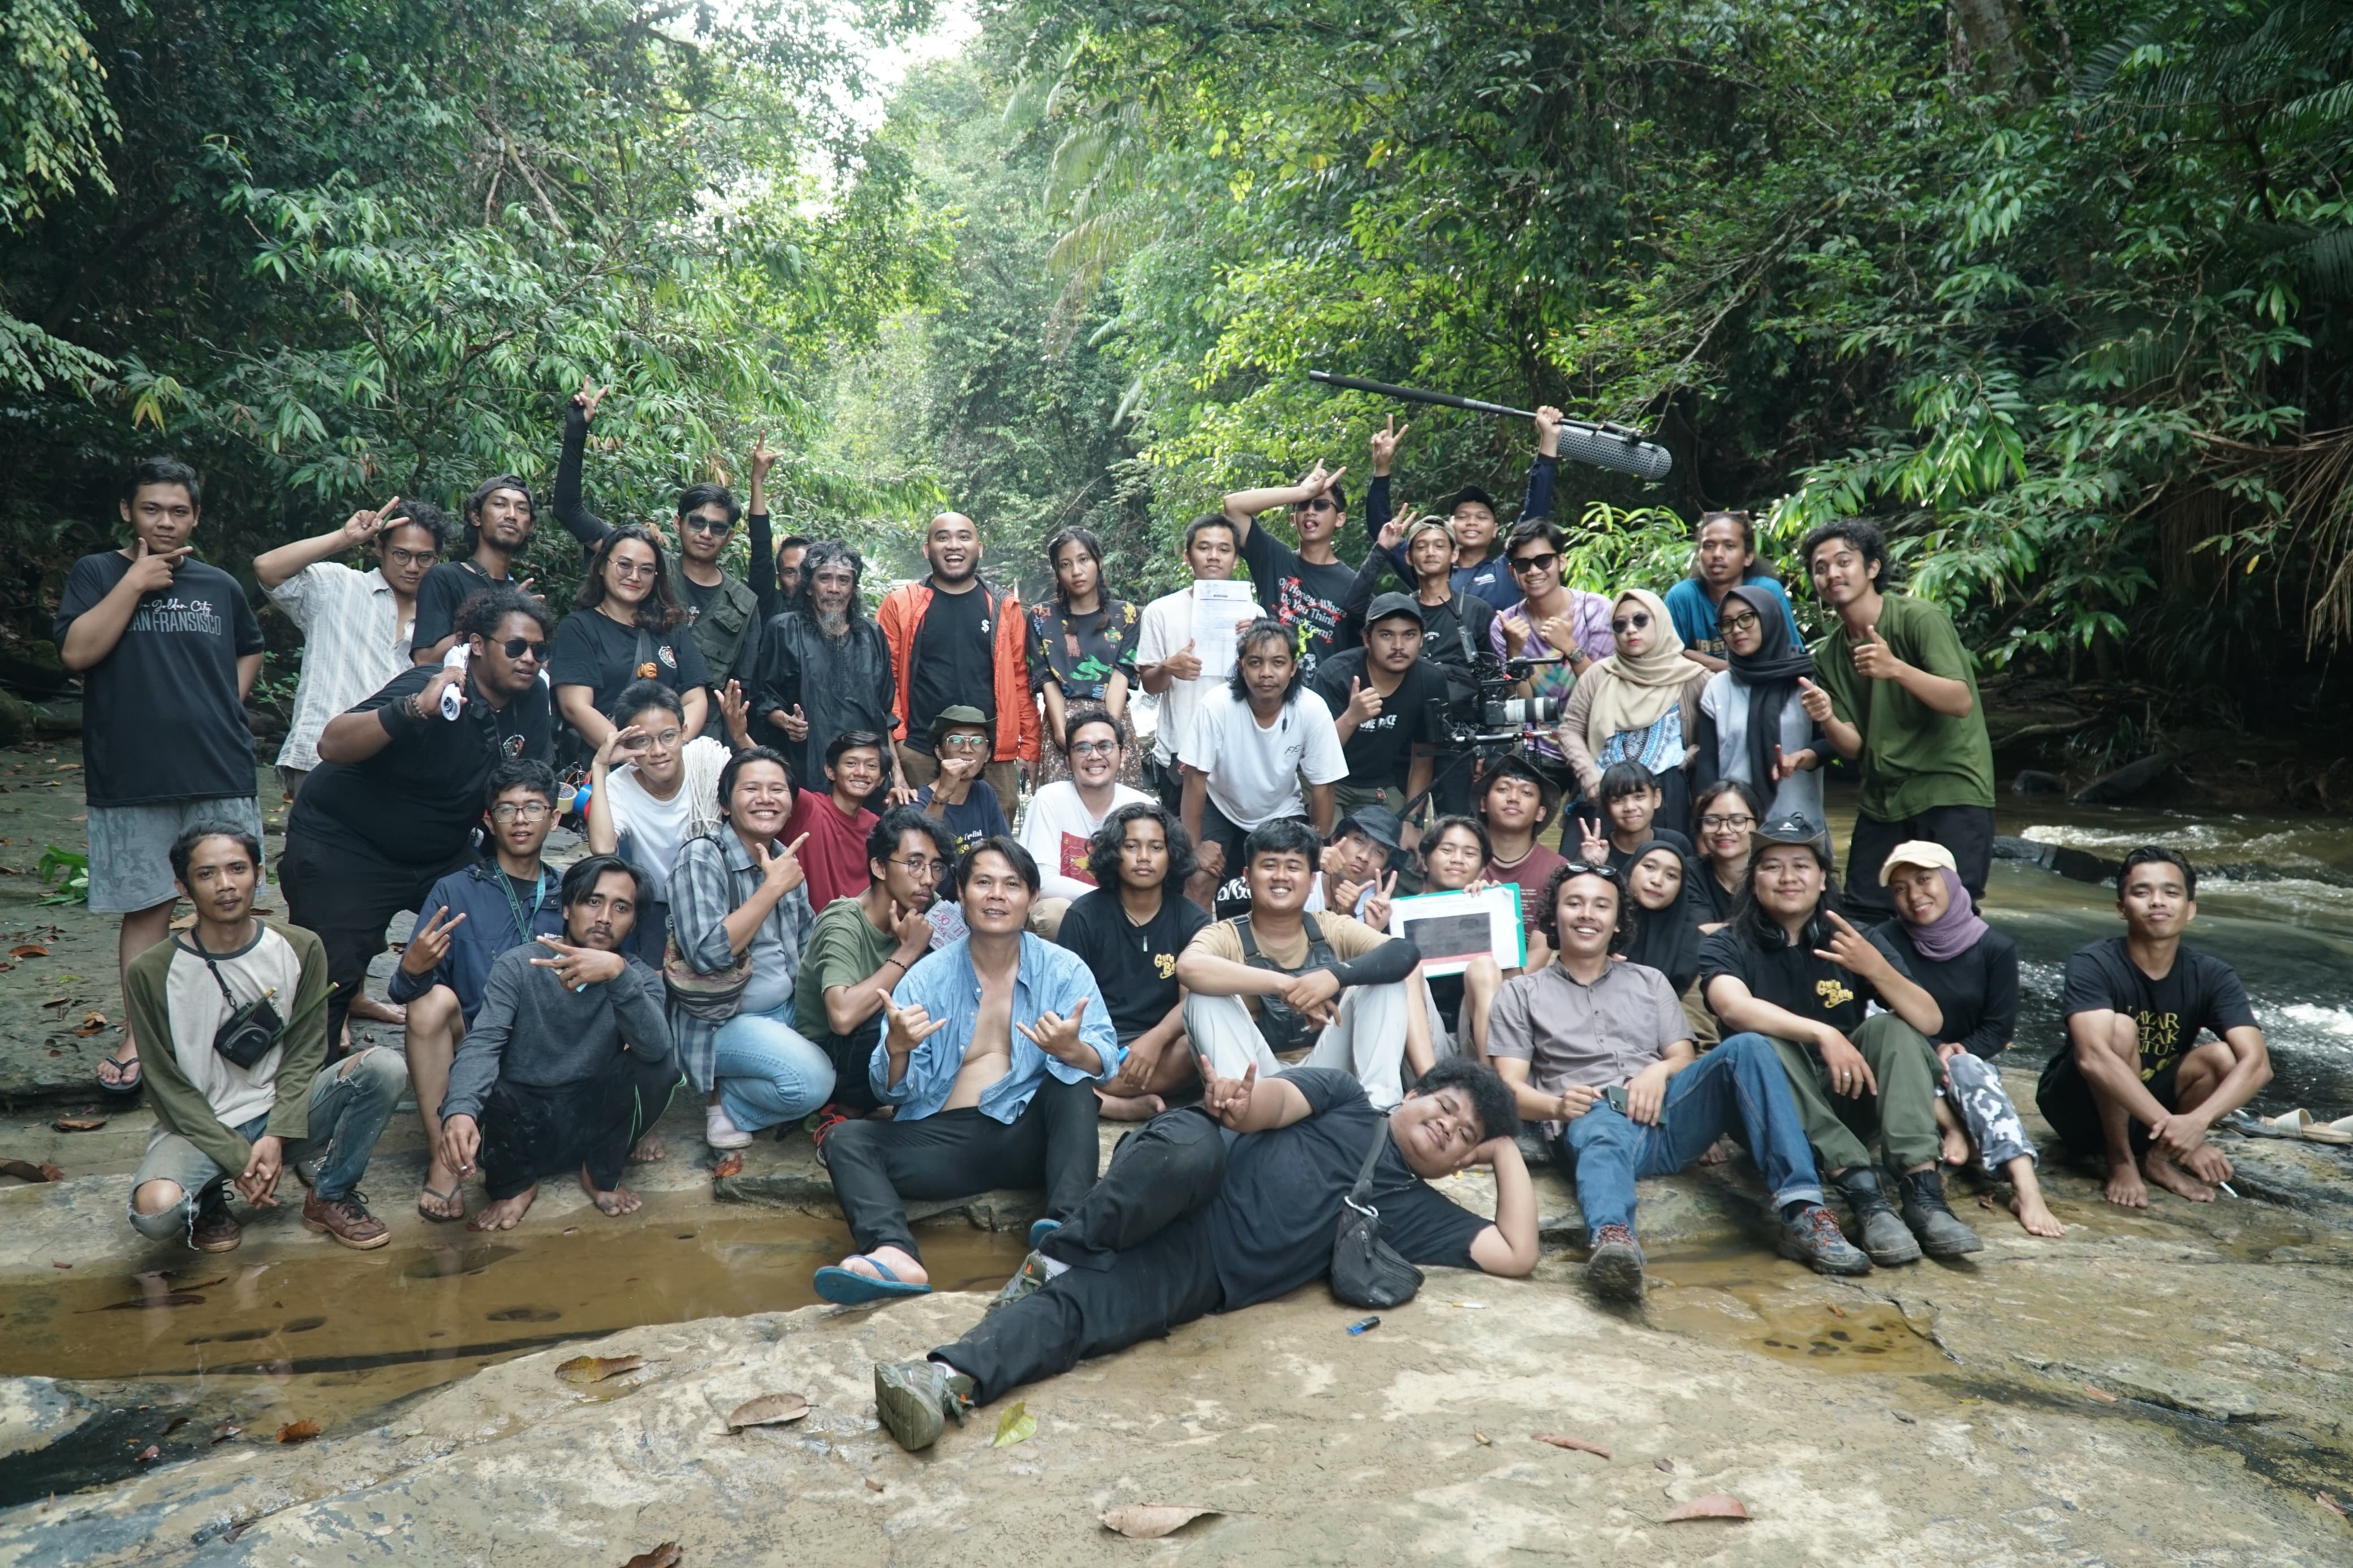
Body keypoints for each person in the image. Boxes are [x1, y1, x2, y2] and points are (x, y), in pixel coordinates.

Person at [868, 1056, 1535, 1452]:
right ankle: (1062, 1249)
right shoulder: (1345, 1098)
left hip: (1205, 1269)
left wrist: (1503, 1146)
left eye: (1463, 1135)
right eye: (1445, 1107)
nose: (1447, 1127)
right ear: (1413, 1093)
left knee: (1085, 1314)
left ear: (1460, 1163)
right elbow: (1266, 1106)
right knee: (1190, 1152)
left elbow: (1515, 1253)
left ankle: (944, 1381)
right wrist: (1241, 1104)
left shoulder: (1416, 1209)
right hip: (1187, 1169)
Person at [1490, 861, 1867, 1298]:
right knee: (1598, 1125)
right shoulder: (1521, 993)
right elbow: (1509, 1090)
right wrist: (1556, 1107)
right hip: (1594, 1116)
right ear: (1554, 916)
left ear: (1618, 921)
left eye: (1601, 905)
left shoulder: (1650, 981)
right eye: (1574, 903)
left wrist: (1658, 1071)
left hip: (1669, 1114)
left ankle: (1803, 1212)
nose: (1587, 914)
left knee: (1749, 1046)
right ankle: (1615, 1243)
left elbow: (1682, 1055)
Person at [812, 837, 1117, 1303]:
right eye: (983, 882)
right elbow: (889, 1091)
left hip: (1027, 1138)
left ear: (1032, 897)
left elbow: (1106, 1059)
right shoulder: (928, 976)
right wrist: (896, 1048)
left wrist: (1075, 1050)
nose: (997, 895)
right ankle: (893, 1252)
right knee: (845, 1138)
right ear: (961, 892)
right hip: (944, 1143)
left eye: (1012, 884)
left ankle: (1067, 1236)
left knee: (1072, 1081)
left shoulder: (1063, 969)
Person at [58, 458, 268, 1099]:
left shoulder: (219, 585)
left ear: (196, 517)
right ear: (128, 511)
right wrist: (136, 582)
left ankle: (238, 1021)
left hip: (219, 768)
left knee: (232, 899)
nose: (166, 522)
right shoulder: (98, 573)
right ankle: (141, 1035)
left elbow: (250, 645)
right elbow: (76, 652)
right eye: (153, 509)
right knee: (148, 908)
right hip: (131, 774)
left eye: (179, 512)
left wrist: (226, 705)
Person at [281, 585, 555, 1053]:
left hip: (441, 850)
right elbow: (332, 744)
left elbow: (528, 788)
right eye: (515, 647)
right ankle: (310, 1090)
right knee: (332, 975)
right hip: (347, 844)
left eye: (538, 649)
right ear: (477, 646)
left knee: (497, 920)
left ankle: (480, 1051)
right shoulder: (430, 685)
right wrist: (413, 711)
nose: (529, 658)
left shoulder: (531, 704)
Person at [1699, 811, 1982, 1265]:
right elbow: (1732, 1006)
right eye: (1772, 866)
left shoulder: (1855, 939)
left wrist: (1876, 969)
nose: (1788, 877)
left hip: (1846, 1095)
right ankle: (1865, 1197)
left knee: (1894, 1027)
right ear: (1753, 881)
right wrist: (1823, 1031)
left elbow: (1929, 1020)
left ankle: (1924, 1195)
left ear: (1822, 878)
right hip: (1771, 1110)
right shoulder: (1727, 943)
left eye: (1801, 864)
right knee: (1763, 1042)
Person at [124, 823, 404, 1252]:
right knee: (156, 1213)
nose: (225, 885)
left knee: (384, 1066)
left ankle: (330, 1194)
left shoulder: (300, 947)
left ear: (259, 874)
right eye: (206, 874)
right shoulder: (151, 971)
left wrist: (275, 1135)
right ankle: (209, 1199)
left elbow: (306, 1054)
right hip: (203, 1126)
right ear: (183, 887)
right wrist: (238, 1157)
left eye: (237, 868)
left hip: (284, 1113)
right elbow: (166, 1086)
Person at [438, 854, 680, 1230]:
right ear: (567, 908)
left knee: (661, 1064)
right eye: (592, 901)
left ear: (633, 921)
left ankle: (597, 1173)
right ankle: (517, 1185)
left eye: (621, 908)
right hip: (523, 1120)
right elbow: (483, 1043)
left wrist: (617, 975)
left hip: (592, 1120)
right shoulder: (519, 965)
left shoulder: (636, 977)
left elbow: (655, 1049)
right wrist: (461, 1111)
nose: (604, 917)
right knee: (477, 1080)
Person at [2038, 846, 2273, 1208]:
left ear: (2190, 908)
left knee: (2225, 1057)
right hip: (2080, 1110)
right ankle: (2121, 1159)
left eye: (2171, 892)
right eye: (2142, 892)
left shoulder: (2212, 975)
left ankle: (2158, 1160)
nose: (2157, 902)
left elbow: (2257, 1064)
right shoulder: (2093, 963)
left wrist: (2197, 1124)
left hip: (2151, 1120)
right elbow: (2093, 1059)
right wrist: (2179, 1132)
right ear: (2121, 908)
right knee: (2119, 1030)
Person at [390, 760, 567, 1223]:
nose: (522, 819)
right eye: (507, 809)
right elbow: (405, 990)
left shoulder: (571, 895)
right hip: (476, 1048)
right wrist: (410, 967)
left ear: (556, 817)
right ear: (488, 821)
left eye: (534, 807)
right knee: (432, 1002)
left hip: (549, 1048)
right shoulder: (455, 890)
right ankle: (444, 1157)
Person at [1796, 519, 1997, 919]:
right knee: (1862, 911)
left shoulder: (1919, 619)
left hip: (1950, 786)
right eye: (1820, 568)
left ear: (1872, 568)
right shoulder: (1830, 654)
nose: (1832, 573)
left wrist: (1896, 668)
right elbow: (1853, 746)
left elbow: (1960, 700)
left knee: (1950, 910)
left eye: (1843, 562)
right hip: (1883, 796)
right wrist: (1827, 719)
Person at [1866, 842, 2060, 1238]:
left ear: (1951, 882)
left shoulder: (1995, 947)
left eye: (1924, 880)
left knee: (1966, 1065)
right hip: (1904, 1058)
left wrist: (1959, 1049)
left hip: (1966, 1060)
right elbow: (1876, 1011)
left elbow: (1999, 1027)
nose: (1914, 895)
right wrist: (1931, 1049)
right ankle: (1953, 1124)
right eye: (1900, 888)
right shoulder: (1881, 940)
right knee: (1883, 1032)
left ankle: (2025, 1187)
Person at [1176, 819, 1433, 1110]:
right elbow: (1188, 967)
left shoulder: (1330, 926)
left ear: (1312, 880)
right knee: (1202, 998)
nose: (1281, 877)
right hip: (1259, 1079)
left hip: (1327, 1068)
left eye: (1294, 867)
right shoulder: (1225, 934)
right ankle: (1239, 1112)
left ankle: (1378, 1114)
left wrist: (1333, 977)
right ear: (1247, 876)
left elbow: (1403, 953)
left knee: (1387, 981)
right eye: (1269, 865)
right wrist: (1284, 984)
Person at [667, 746, 835, 1152]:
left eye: (778, 789)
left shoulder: (782, 856)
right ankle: (727, 1102)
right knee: (814, 1083)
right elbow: (708, 952)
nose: (766, 798)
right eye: (752, 789)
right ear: (725, 803)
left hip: (787, 1010)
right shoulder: (702, 855)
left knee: (865, 1045)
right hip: (722, 1022)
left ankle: (762, 1074)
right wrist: (772, 888)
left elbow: (805, 946)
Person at [556, 380, 764, 692]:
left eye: (718, 528)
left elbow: (746, 686)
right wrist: (576, 433)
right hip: (628, 717)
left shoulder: (743, 603)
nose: (706, 534)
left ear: (730, 537)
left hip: (705, 732)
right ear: (678, 522)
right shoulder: (642, 564)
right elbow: (569, 512)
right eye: (697, 522)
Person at [255, 495, 445, 801]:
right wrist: (344, 538)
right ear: (379, 548)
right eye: (401, 554)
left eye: (424, 558)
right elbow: (267, 569)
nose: (412, 567)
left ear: (438, 558)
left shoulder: (440, 621)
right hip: (321, 759)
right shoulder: (337, 585)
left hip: (400, 771)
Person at [794, 807, 953, 1121]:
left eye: (936, 867)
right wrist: (908, 952)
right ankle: (843, 1113)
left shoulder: (927, 907)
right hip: (832, 1054)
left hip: (889, 1043)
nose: (929, 879)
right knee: (890, 1014)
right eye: (915, 865)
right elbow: (842, 1017)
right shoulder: (843, 921)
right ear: (880, 867)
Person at [1055, 802, 1210, 1121]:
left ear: (1172, 856)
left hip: (1164, 1044)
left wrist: (1154, 1041)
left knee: (1196, 1047)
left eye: (1156, 847)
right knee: (1048, 1049)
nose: (1143, 857)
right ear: (1114, 853)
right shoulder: (1083, 916)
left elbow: (1193, 1001)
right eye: (1131, 846)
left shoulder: (1192, 919)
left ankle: (1094, 1096)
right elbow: (1066, 1005)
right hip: (1096, 1042)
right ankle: (1118, 1105)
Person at [1178, 619, 1347, 893]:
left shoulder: (1312, 709)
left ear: (1293, 668)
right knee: (1198, 877)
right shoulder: (1216, 705)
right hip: (1221, 805)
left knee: (1305, 875)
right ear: (1242, 667)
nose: (1266, 673)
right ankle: (1200, 938)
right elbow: (1195, 780)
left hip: (1282, 809)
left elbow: (1324, 785)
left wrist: (1319, 845)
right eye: (1256, 662)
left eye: (1278, 663)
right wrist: (1194, 849)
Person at [585, 679, 752, 958]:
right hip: (658, 911)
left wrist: (741, 736)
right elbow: (602, 848)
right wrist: (600, 766)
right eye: (643, 741)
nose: (658, 751)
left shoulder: (706, 760)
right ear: (626, 742)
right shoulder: (618, 785)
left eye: (668, 736)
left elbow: (763, 790)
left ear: (684, 732)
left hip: (721, 897)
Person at [880, 512, 1035, 811]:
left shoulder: (1004, 608)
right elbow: (887, 679)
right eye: (943, 538)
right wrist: (899, 743)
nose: (954, 545)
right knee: (921, 845)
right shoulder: (902, 604)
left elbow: (1020, 682)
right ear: (927, 550)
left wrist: (1029, 747)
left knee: (996, 850)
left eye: (964, 537)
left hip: (992, 755)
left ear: (979, 548)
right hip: (921, 751)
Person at [1559, 588, 1709, 844]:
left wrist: (1689, 758)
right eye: (1620, 625)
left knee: (1660, 872)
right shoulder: (1600, 674)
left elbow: (1720, 735)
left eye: (1640, 620)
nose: (1630, 629)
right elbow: (1570, 729)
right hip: (1603, 793)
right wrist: (1589, 776)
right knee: (1585, 874)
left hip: (1666, 798)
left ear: (1660, 621)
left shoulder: (1695, 677)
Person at [549, 522, 712, 758]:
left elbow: (695, 699)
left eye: (646, 570)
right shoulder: (578, 628)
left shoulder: (671, 627)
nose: (634, 577)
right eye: (624, 565)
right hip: (608, 766)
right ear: (602, 566)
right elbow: (575, 706)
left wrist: (672, 748)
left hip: (667, 764)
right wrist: (635, 756)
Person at [1135, 514, 1262, 810]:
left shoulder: (1255, 616)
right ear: (1188, 557)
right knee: (1183, 849)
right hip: (1180, 754)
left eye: (1224, 549)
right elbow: (1150, 686)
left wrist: (1255, 646)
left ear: (1236, 558)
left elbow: (1269, 690)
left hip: (1239, 753)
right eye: (1204, 548)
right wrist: (1169, 667)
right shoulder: (1161, 611)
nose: (1214, 556)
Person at [753, 537, 898, 798]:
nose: (834, 589)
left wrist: (897, 776)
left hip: (866, 776)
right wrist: (785, 722)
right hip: (807, 768)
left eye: (844, 580)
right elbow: (764, 698)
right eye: (824, 578)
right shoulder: (784, 629)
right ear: (809, 587)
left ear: (853, 589)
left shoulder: (873, 634)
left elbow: (884, 716)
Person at [1491, 516, 1615, 802]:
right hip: (1541, 750)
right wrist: (1515, 653)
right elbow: (1523, 707)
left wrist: (1570, 647)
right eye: (1523, 565)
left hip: (1597, 742)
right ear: (1512, 572)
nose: (1533, 571)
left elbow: (1606, 690)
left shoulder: (1597, 610)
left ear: (1562, 562)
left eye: (1543, 561)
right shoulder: (1506, 625)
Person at [1693, 583, 1823, 827]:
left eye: (1746, 619)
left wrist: (1803, 758)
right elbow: (1708, 766)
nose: (1736, 630)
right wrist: (1705, 826)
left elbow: (1833, 745)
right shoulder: (1718, 687)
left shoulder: (1806, 681)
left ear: (1769, 617)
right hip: (1733, 826)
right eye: (1727, 623)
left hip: (1798, 819)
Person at [1309, 593, 1443, 826]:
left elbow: (1423, 756)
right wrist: (1351, 718)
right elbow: (1314, 755)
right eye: (1386, 635)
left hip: (1380, 785)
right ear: (1367, 638)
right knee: (1334, 854)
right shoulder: (1335, 675)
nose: (1398, 646)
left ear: (1422, 639)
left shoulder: (1431, 680)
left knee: (1399, 854)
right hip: (1327, 781)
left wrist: (1412, 821)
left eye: (1409, 635)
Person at [1361, 414, 1521, 611]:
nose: (1471, 522)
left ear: (1495, 529)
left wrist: (1547, 448)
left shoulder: (1509, 569)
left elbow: (1533, 517)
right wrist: (1382, 468)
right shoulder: (1430, 568)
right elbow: (1382, 531)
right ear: (1450, 528)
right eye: (1462, 517)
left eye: (1481, 517)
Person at [1018, 707, 1149, 933]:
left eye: (1105, 746)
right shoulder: (1050, 799)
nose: (1095, 756)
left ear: (1123, 756)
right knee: (1052, 913)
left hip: (1130, 911)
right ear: (1068, 761)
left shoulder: (1142, 806)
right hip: (1073, 912)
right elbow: (1042, 880)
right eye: (1083, 748)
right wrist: (1107, 900)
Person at [1028, 526, 1141, 786]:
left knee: (1121, 818)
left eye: (1084, 560)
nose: (1076, 571)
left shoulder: (1125, 614)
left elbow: (1121, 674)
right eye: (1066, 564)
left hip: (1114, 721)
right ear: (1056, 571)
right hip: (1062, 721)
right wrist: (1061, 736)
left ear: (1098, 562)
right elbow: (1046, 680)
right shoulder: (1041, 617)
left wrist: (1108, 737)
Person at [1220, 461, 1355, 676]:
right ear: (1293, 519)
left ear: (1340, 519)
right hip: (1266, 695)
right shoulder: (1274, 559)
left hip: (1323, 703)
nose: (1310, 511)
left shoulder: (1353, 584)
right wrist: (1301, 492)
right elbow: (1233, 505)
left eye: (1320, 505)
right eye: (1303, 505)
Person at [1409, 814, 1512, 1063]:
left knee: (1484, 967)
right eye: (1446, 850)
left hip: (1476, 1041)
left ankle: (1495, 1088)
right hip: (1420, 1042)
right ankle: (1428, 1088)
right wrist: (1375, 929)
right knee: (1402, 971)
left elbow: (1515, 989)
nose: (1457, 859)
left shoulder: (1494, 906)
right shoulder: (1400, 913)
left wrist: (1498, 919)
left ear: (1483, 869)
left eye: (1469, 853)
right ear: (1424, 861)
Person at [410, 473, 537, 663]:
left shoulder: (522, 598)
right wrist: (488, 621)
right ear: (476, 517)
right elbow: (424, 660)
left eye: (522, 509)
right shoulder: (445, 578)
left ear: (530, 526)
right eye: (500, 505)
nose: (512, 515)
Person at [1663, 511, 1801, 670]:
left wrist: (1715, 664)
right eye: (1709, 546)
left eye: (1729, 546)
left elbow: (1790, 660)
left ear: (1748, 557)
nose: (1717, 554)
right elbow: (1667, 662)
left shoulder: (1766, 593)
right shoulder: (1683, 596)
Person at [1476, 753, 1567, 969]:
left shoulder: (1558, 869)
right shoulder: (1460, 862)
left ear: (1540, 813)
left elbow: (1539, 954)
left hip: (1526, 988)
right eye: (1503, 789)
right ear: (1483, 804)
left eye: (1526, 793)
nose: (1513, 798)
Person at [783, 731, 887, 912]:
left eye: (871, 765)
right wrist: (740, 737)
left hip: (859, 931)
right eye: (851, 763)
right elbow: (774, 779)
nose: (861, 772)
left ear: (881, 779)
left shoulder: (876, 825)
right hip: (809, 932)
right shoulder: (809, 807)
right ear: (831, 772)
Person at [913, 707, 1011, 859]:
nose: (967, 749)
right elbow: (918, 854)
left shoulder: (984, 792)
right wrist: (943, 794)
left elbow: (1005, 851)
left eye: (977, 741)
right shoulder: (917, 802)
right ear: (939, 752)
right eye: (956, 740)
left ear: (987, 754)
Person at [1571, 760, 1695, 876]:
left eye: (1639, 797)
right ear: (1606, 808)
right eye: (1618, 800)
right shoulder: (1597, 851)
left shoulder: (1676, 844)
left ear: (1656, 798)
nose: (1630, 807)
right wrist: (1594, 865)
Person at [1686, 779, 1764, 928]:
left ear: (1758, 823)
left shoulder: (1774, 871)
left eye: (1737, 821)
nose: (1724, 830)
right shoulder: (1690, 872)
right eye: (1712, 821)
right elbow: (1699, 933)